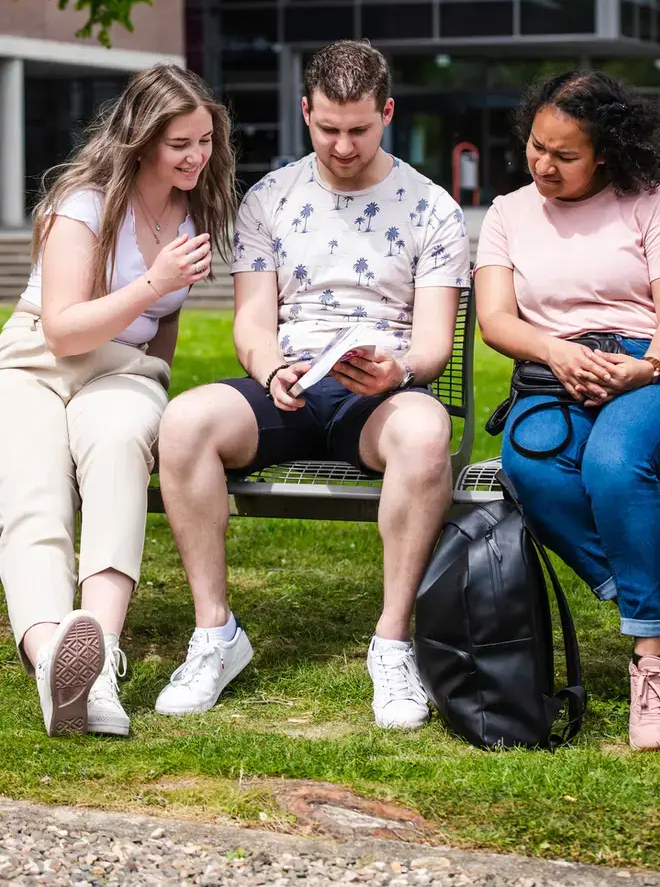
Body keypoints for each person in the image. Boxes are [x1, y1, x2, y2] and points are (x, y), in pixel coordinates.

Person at [155, 39, 470, 729]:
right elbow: (251, 322)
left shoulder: (433, 209)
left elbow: (432, 345)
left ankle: (392, 645)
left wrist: (399, 372)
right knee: (183, 421)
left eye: (360, 129)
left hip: (379, 395)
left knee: (425, 434)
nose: (344, 145)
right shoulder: (270, 198)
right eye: (328, 128)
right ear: (305, 112)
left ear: (388, 113)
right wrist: (270, 368)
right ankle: (215, 635)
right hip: (289, 384)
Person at [0, 64, 235, 738]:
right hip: (39, 360)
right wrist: (153, 281)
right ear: (141, 138)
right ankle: (51, 656)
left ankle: (95, 661)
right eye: (179, 144)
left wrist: (153, 377)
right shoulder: (85, 203)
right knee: (34, 494)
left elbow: (166, 319)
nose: (196, 157)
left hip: (123, 370)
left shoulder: (194, 209)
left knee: (118, 446)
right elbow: (63, 329)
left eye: (204, 141)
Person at [474, 69, 660, 751]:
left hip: (642, 366)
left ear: (604, 153)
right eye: (537, 146)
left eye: (565, 154)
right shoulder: (507, 213)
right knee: (533, 471)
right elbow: (496, 319)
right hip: (552, 369)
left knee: (613, 466)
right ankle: (645, 591)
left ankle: (650, 654)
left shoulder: (646, 203)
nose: (544, 164)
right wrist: (555, 352)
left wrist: (643, 367)